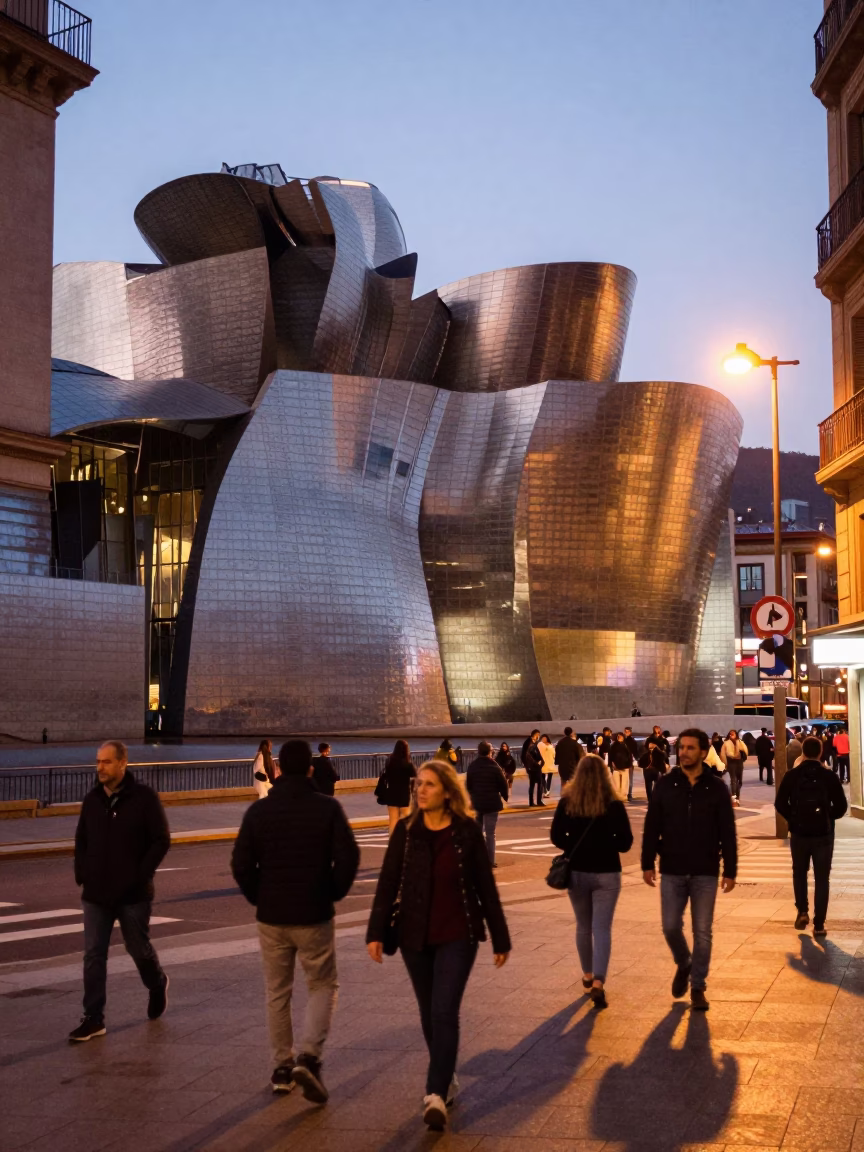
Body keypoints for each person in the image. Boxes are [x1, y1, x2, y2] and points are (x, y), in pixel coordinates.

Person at [366, 760, 511, 1131]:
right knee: (430, 1012)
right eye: (419, 785)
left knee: (444, 1010)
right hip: (415, 936)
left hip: (458, 934)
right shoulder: (407, 830)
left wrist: (500, 935)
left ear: (447, 791)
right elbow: (387, 881)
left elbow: (484, 886)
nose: (420, 790)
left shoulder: (465, 832)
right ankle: (445, 1075)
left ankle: (434, 1091)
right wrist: (376, 931)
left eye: (428, 785)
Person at [231, 740, 360, 1100]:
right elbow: (349, 857)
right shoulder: (328, 809)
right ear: (309, 769)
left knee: (277, 992)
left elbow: (240, 865)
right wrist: (331, 892)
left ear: (278, 770)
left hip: (272, 916)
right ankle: (310, 1056)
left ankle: (282, 1068)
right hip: (314, 913)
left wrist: (260, 896)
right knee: (322, 985)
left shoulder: (259, 813)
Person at [69, 741, 171, 1043]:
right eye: (98, 762)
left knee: (138, 949)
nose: (100, 767)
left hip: (133, 894)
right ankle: (93, 1018)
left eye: (106, 762)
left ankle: (157, 983)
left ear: (123, 764)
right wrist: (82, 874)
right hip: (96, 893)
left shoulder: (144, 799)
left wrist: (141, 875)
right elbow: (81, 840)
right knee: (93, 955)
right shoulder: (92, 800)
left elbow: (161, 840)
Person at [641, 728, 737, 1011]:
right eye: (681, 747)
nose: (683, 752)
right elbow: (652, 827)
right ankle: (684, 963)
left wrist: (730, 869)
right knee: (670, 927)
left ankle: (698, 986)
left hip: (706, 871)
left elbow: (727, 832)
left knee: (703, 932)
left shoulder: (717, 787)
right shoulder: (666, 785)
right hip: (671, 868)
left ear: (704, 752)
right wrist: (647, 862)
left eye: (690, 748)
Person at [550, 754, 633, 1009]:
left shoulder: (568, 801)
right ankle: (599, 982)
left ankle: (587, 975)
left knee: (583, 926)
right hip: (607, 871)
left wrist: (574, 845)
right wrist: (607, 843)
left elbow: (556, 835)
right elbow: (626, 842)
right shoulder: (614, 804)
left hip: (577, 871)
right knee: (602, 929)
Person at [775, 735, 848, 936]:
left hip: (799, 834)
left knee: (799, 872)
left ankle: (802, 911)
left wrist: (793, 819)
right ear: (820, 752)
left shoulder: (792, 776)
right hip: (823, 835)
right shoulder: (829, 776)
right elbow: (841, 806)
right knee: (822, 878)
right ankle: (819, 923)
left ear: (803, 753)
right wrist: (827, 816)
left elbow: (780, 803)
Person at [466, 741, 509, 866]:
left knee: (478, 832)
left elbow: (469, 785)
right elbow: (503, 784)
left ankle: (479, 858)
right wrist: (505, 797)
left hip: (477, 803)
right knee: (490, 833)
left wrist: (471, 797)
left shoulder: (472, 766)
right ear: (490, 752)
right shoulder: (494, 767)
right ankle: (490, 861)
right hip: (491, 803)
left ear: (478, 752)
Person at [379, 739, 417, 834]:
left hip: (391, 794)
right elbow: (415, 774)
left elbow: (386, 775)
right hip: (404, 795)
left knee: (393, 821)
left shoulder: (389, 762)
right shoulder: (407, 764)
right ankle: (404, 842)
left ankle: (392, 843)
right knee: (406, 820)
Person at [720, 729, 747, 807]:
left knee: (740, 781)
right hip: (731, 762)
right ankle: (734, 797)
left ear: (736, 734)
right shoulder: (726, 743)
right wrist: (725, 764)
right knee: (733, 780)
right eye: (730, 734)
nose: (732, 735)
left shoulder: (740, 742)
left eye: (733, 733)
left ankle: (737, 796)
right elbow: (723, 754)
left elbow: (745, 750)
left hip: (739, 762)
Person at [521, 729, 545, 807]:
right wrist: (535, 763)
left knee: (535, 784)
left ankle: (535, 801)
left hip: (534, 766)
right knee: (537, 783)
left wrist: (541, 760)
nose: (539, 737)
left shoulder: (533, 742)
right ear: (536, 734)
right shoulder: (529, 742)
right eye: (538, 735)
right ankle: (536, 802)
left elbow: (536, 753)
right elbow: (527, 755)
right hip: (533, 767)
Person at [608, 732, 632, 800]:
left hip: (625, 766)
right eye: (619, 736)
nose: (620, 738)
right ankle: (617, 797)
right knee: (616, 784)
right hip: (616, 767)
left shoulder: (626, 745)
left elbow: (629, 756)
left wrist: (629, 765)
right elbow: (610, 756)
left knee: (624, 783)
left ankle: (623, 796)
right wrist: (611, 765)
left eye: (621, 736)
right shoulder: (613, 746)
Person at [623, 727, 639, 801]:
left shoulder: (630, 741)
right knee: (628, 779)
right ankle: (628, 794)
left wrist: (637, 759)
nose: (627, 733)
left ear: (630, 732)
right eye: (626, 731)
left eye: (628, 732)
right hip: (626, 762)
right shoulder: (626, 741)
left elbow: (635, 752)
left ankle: (628, 794)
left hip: (628, 762)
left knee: (628, 779)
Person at [538, 733, 556, 797]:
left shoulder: (551, 745)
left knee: (549, 778)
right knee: (542, 777)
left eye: (545, 738)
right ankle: (545, 789)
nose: (544, 739)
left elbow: (554, 754)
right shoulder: (540, 745)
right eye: (543, 738)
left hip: (550, 763)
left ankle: (548, 790)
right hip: (543, 763)